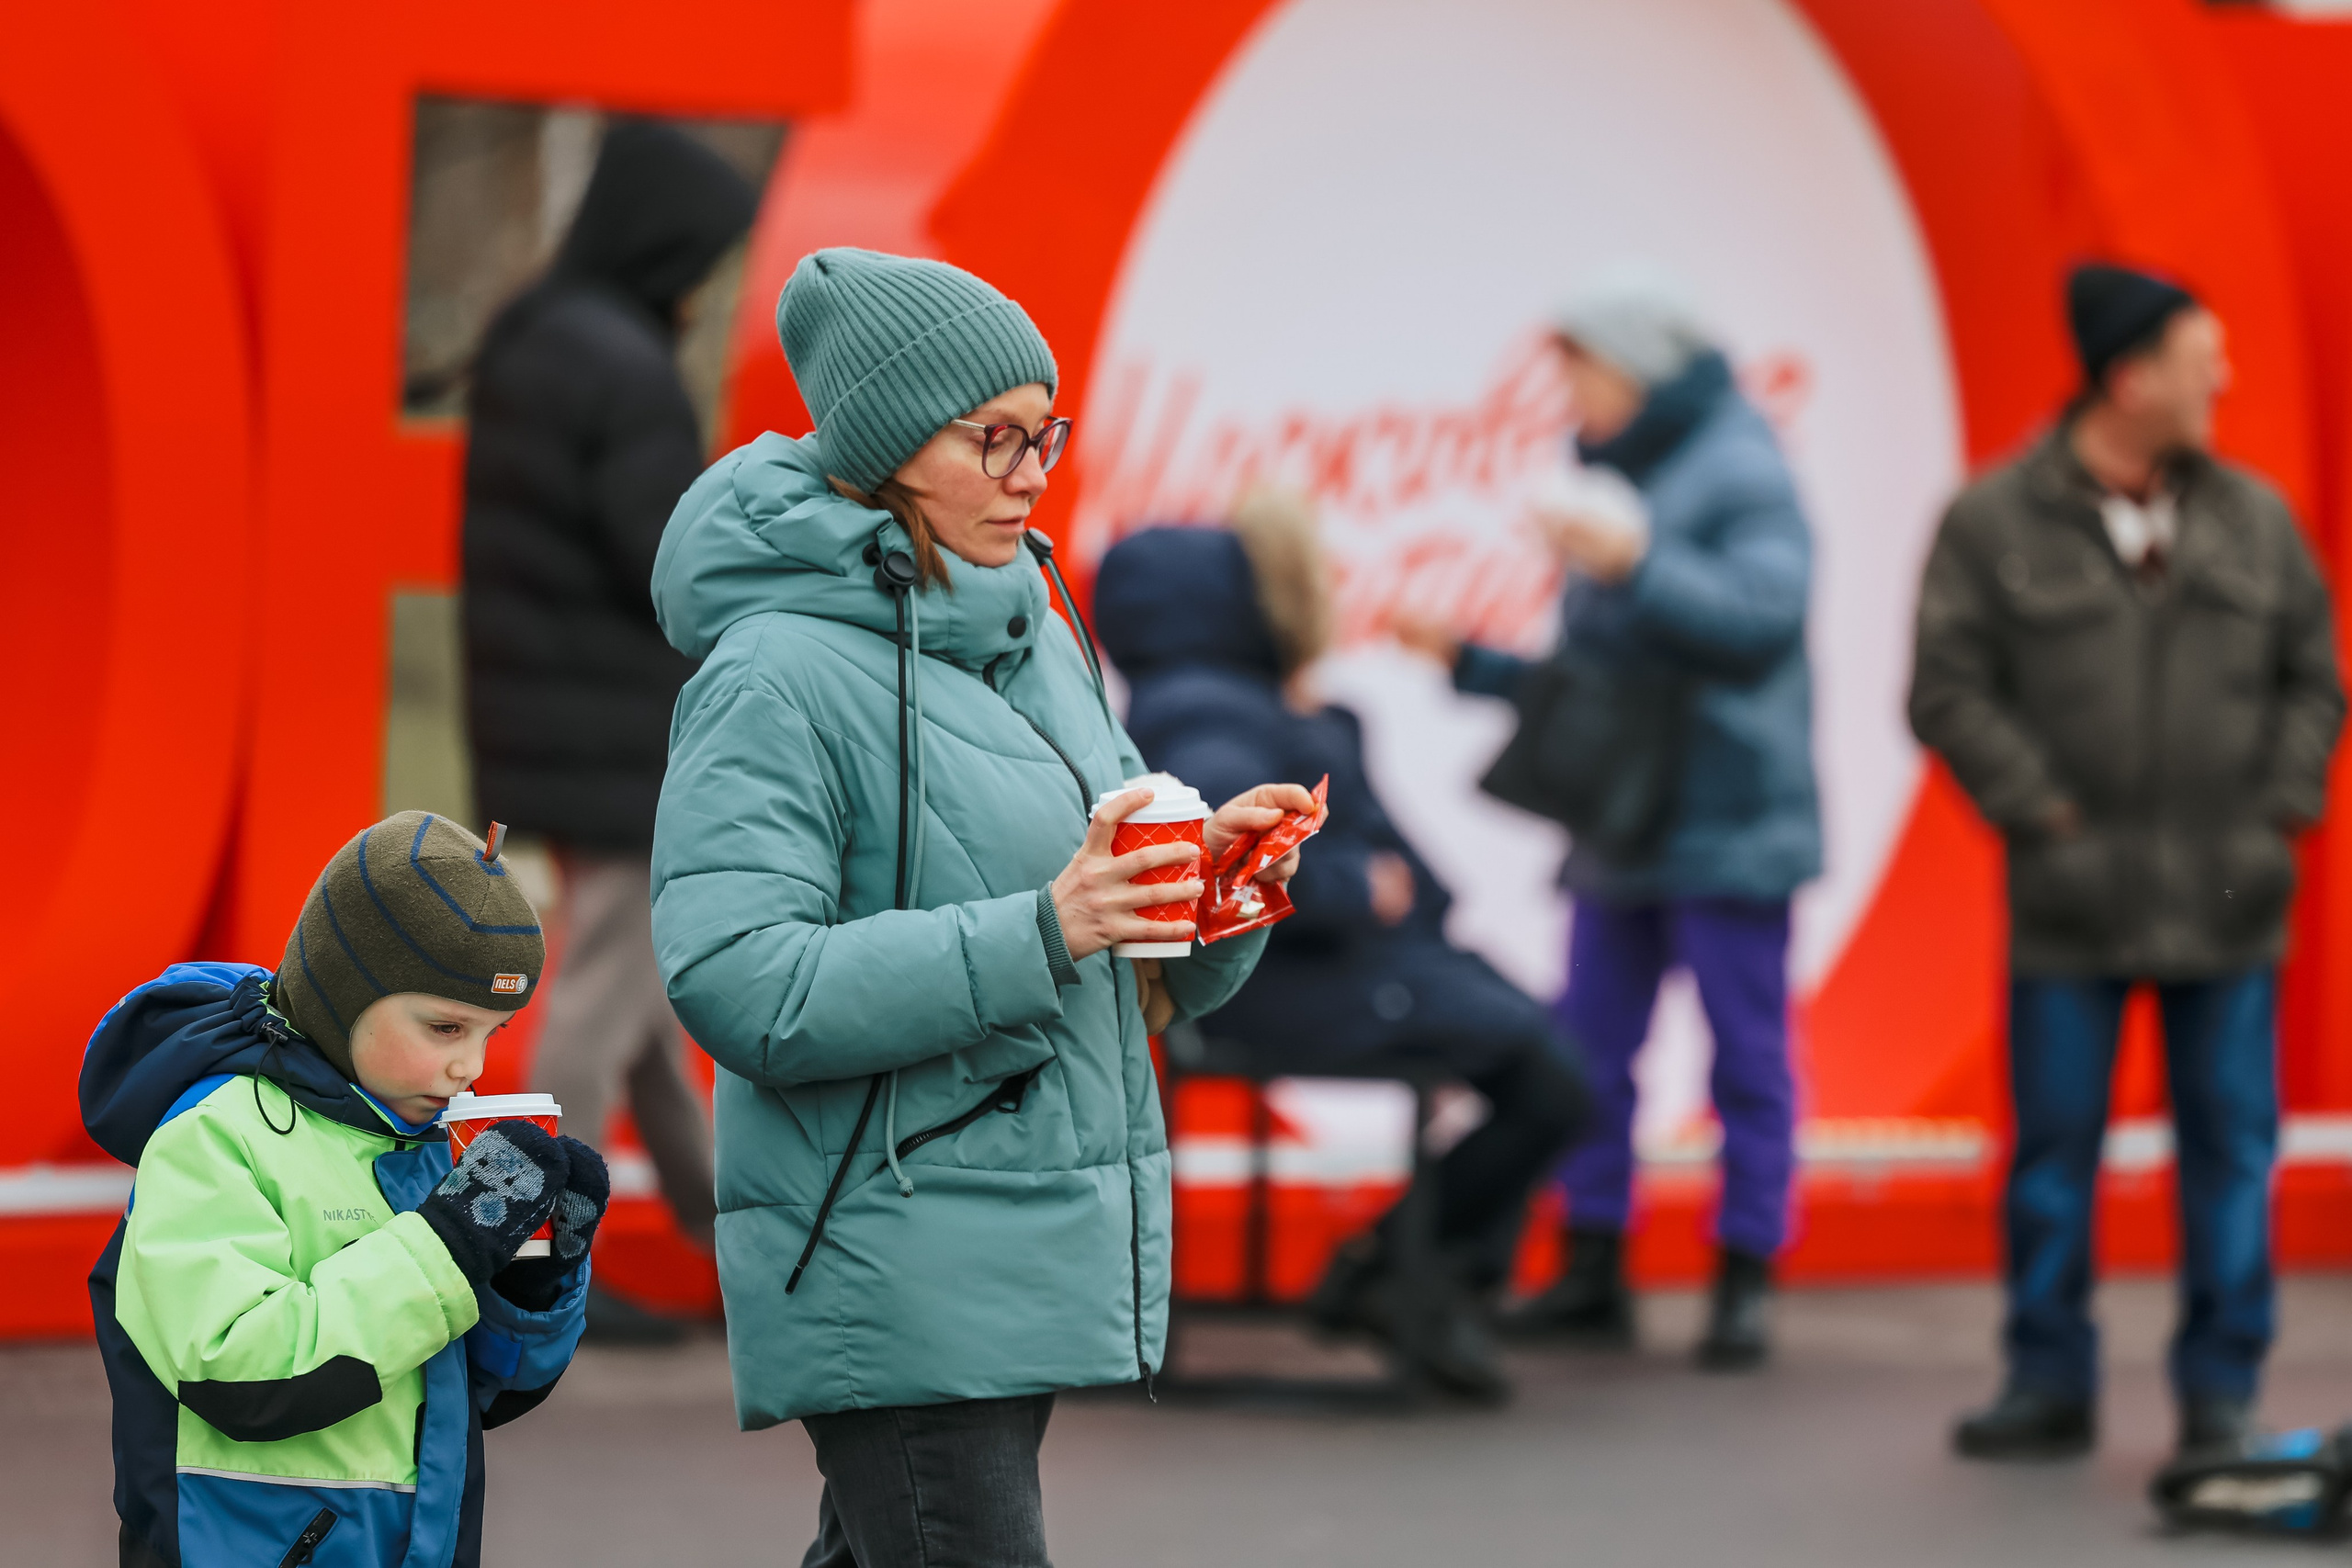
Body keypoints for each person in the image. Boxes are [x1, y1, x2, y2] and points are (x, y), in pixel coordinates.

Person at [649, 247, 1307, 1568]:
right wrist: (1045, 924)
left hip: (1011, 1226)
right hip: (894, 1238)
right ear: (888, 448)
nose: (1028, 473)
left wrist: (1209, 887)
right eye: (989, 438)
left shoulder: (1034, 619)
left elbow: (1109, 927)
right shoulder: (771, 671)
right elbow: (736, 977)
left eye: (1042, 434)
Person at [1913, 263, 2344, 1461]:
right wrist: (2045, 816)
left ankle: (2223, 1388)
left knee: (2230, 1150)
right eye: (2203, 359)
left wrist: (2278, 814)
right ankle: (2046, 1375)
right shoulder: (1994, 522)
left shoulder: (2254, 519)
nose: (2225, 381)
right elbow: (1948, 689)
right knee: (2054, 1148)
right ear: (2130, 375)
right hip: (2071, 902)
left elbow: (2316, 676)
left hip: (2229, 900)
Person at [1398, 266, 1819, 1370]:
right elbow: (1600, 681)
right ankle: (1591, 1264)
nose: (1567, 402)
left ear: (1635, 373)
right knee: (1591, 1049)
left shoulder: (1735, 467)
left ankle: (1743, 1275)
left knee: (1747, 1059)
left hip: (1728, 817)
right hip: (1623, 819)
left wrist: (1636, 562)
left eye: (1578, 376)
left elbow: (1764, 618)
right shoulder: (1618, 482)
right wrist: (1473, 663)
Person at [1095, 495, 1589, 1403]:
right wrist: (1354, 885)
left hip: (1326, 972)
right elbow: (1218, 863)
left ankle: (1403, 1277)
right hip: (1285, 983)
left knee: (1550, 1069)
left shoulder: (1224, 700)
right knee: (1551, 1078)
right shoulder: (1209, 709)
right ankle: (1402, 1278)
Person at [81, 812, 606, 1568]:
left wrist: (534, 1280)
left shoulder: (429, 1143)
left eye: (493, 1032)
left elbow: (487, 1393)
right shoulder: (214, 1135)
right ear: (342, 990)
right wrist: (448, 1248)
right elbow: (241, 1373)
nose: (472, 1068)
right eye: (445, 1027)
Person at [462, 120, 756, 1338]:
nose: (702, 284)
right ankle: (520, 1247)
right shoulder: (626, 365)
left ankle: (736, 1241)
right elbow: (672, 564)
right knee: (601, 992)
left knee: (635, 999)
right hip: (624, 725)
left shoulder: (537, 333)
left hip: (548, 712)